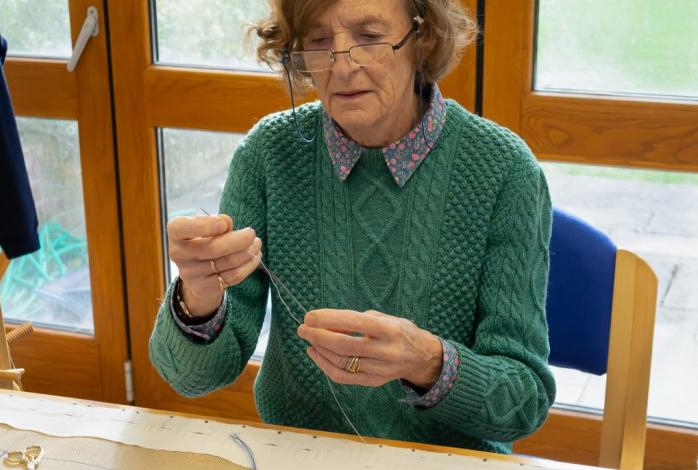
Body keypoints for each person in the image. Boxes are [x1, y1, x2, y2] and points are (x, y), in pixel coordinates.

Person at [150, 0, 555, 454]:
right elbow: (192, 377)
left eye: (369, 37)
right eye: (320, 42)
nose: (342, 68)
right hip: (299, 457)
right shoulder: (270, 154)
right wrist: (198, 298)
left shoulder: (503, 171)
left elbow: (523, 403)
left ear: (422, 38)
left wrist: (425, 361)